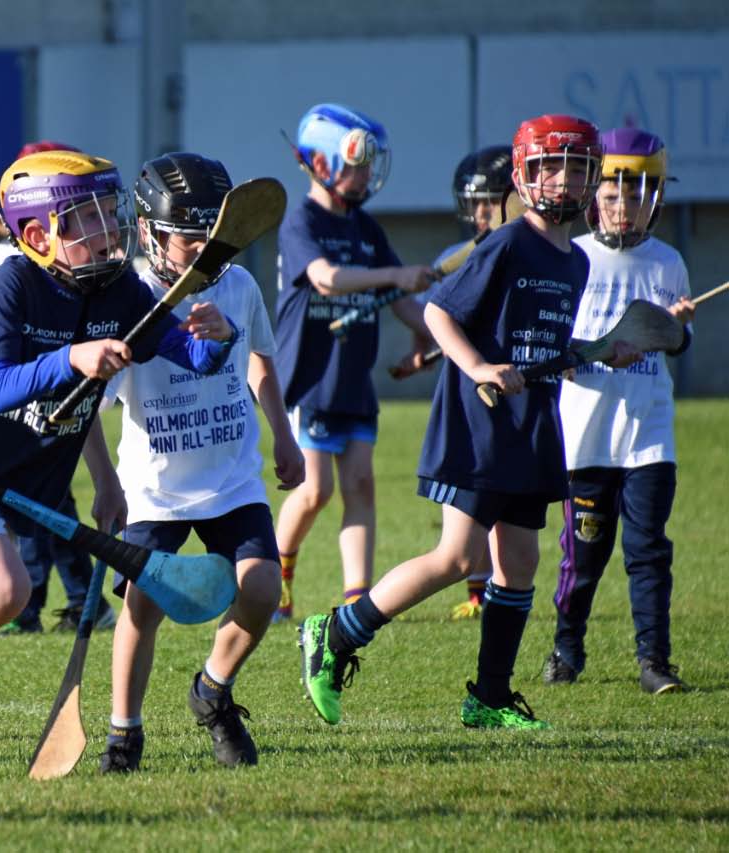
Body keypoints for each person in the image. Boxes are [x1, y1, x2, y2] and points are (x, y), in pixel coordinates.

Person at [0, 149, 237, 782]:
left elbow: (185, 356)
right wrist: (75, 358)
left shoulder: (120, 288)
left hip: (18, 483)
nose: (108, 230)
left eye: (110, 214)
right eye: (87, 220)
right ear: (36, 235)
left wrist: (217, 340)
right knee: (6, 592)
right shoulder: (11, 284)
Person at [297, 114, 640, 731]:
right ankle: (334, 634)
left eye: (578, 168)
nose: (564, 181)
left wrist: (598, 349)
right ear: (524, 177)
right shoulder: (507, 242)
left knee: (520, 561)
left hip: (530, 424)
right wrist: (479, 366)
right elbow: (438, 316)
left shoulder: (577, 263)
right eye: (550, 168)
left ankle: (488, 695)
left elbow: (543, 346)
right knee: (458, 557)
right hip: (478, 422)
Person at [84, 152, 304, 772]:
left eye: (218, 235)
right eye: (192, 238)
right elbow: (87, 413)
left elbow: (261, 360)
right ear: (152, 233)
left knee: (262, 587)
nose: (209, 250)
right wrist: (105, 484)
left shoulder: (238, 284)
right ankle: (123, 736)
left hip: (233, 477)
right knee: (142, 606)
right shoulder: (126, 299)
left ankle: (212, 691)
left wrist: (283, 437)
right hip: (155, 489)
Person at [541, 127, 695, 694]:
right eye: (610, 196)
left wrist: (671, 329)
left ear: (654, 199)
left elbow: (680, 344)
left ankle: (655, 661)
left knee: (648, 552)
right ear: (591, 199)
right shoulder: (571, 257)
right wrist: (602, 350)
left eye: (634, 197)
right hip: (586, 438)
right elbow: (553, 348)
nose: (622, 208)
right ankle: (566, 648)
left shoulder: (669, 263)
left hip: (649, 436)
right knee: (583, 558)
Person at [0, 139, 114, 636]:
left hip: (49, 399)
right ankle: (70, 602)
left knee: (44, 512)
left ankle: (47, 606)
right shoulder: (10, 269)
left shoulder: (73, 267)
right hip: (24, 399)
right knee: (46, 513)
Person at [272, 103, 433, 622]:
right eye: (355, 163)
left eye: (368, 165)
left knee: (360, 485)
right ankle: (280, 575)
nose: (365, 176)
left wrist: (444, 342)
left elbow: (406, 302)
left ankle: (355, 597)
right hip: (312, 376)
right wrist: (394, 277)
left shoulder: (367, 228)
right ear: (319, 163)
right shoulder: (302, 222)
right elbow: (325, 278)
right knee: (315, 489)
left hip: (354, 381)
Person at [395, 145, 516, 620]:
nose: (482, 213)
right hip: (471, 398)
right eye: (476, 203)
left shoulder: (527, 252)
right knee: (463, 532)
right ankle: (475, 592)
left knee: (517, 538)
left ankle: (497, 604)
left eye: (491, 201)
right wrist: (420, 353)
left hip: (519, 394)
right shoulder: (457, 256)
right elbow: (433, 316)